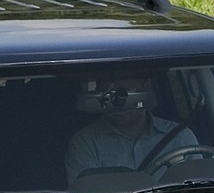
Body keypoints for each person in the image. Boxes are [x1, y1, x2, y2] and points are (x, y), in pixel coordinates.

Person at [65, 72, 200, 184]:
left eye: (123, 95)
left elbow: (200, 192)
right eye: (108, 95)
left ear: (145, 87)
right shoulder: (85, 143)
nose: (117, 103)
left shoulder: (180, 137)